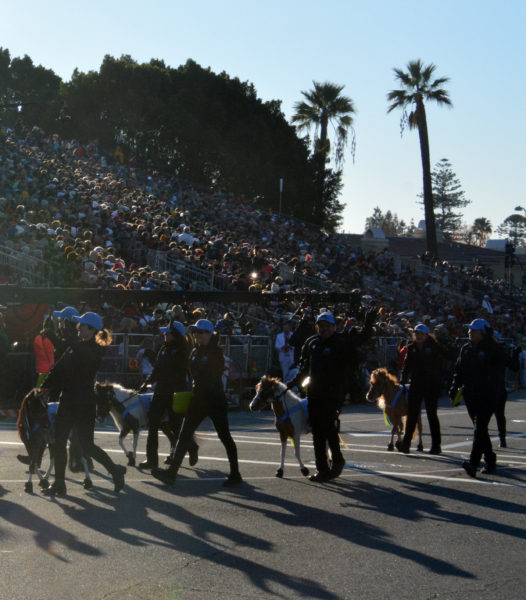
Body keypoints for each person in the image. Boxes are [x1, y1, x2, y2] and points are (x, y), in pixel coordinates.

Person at [40, 312, 126, 496]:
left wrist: (67, 335)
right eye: (78, 326)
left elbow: (84, 357)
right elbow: (59, 369)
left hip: (84, 402)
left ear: (92, 330)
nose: (78, 328)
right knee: (59, 441)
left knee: (87, 445)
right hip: (68, 399)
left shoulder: (94, 349)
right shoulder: (76, 346)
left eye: (82, 326)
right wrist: (44, 387)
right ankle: (59, 484)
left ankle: (115, 471)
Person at [152, 319, 242, 487]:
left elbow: (212, 377)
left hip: (214, 399)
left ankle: (235, 474)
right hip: (198, 399)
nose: (197, 335)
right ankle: (171, 474)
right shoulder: (195, 351)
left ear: (209, 334)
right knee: (184, 434)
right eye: (195, 332)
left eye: (201, 332)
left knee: (225, 436)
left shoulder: (216, 352)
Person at [287, 312, 364, 482]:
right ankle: (322, 469)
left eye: (328, 326)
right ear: (317, 327)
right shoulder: (311, 343)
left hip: (333, 393)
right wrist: (291, 384)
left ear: (334, 327)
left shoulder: (340, 343)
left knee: (329, 428)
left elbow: (356, 357)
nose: (324, 329)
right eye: (321, 326)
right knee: (317, 433)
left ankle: (337, 460)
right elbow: (304, 368)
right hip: (314, 392)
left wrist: (364, 331)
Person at [449, 318, 507, 478]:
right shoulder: (466, 349)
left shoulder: (493, 349)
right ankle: (490, 459)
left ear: (483, 333)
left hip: (488, 394)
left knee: (479, 427)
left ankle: (473, 463)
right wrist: (454, 388)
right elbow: (458, 370)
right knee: (480, 429)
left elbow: (499, 371)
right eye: (470, 330)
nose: (470, 332)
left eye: (474, 330)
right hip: (470, 394)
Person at [138, 320, 198, 470]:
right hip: (160, 391)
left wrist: (164, 377)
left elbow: (178, 372)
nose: (164, 334)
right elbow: (157, 369)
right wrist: (147, 383)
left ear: (175, 335)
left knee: (175, 426)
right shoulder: (164, 349)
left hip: (175, 392)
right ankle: (151, 459)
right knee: (153, 425)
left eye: (168, 332)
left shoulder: (182, 352)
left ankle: (191, 447)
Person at [398, 323, 454, 455]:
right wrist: (403, 380)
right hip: (416, 384)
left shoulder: (434, 346)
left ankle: (436, 445)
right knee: (412, 415)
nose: (418, 336)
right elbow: (406, 366)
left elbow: (449, 356)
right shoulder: (411, 348)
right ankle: (406, 444)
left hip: (431, 385)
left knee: (431, 415)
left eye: (421, 334)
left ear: (426, 335)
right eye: (416, 333)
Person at [33, 318, 56, 387]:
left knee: (39, 389)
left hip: (40, 368)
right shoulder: (54, 339)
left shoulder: (38, 338)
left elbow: (36, 352)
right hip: (51, 368)